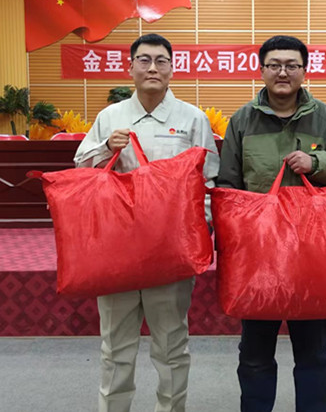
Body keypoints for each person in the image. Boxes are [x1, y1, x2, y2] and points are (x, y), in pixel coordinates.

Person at [74, 33, 219, 412]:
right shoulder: (110, 117)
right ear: (130, 67)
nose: (152, 67)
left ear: (172, 68)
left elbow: (208, 182)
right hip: (116, 252)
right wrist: (105, 147)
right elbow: (80, 168)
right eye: (144, 60)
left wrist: (195, 235)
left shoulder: (192, 118)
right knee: (115, 348)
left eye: (160, 60)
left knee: (171, 347)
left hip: (169, 252)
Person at [217, 35, 326, 412]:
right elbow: (228, 185)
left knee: (313, 354)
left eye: (292, 65)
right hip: (259, 252)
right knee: (254, 353)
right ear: (261, 70)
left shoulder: (325, 117)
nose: (283, 72)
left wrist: (317, 163)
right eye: (275, 65)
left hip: (312, 249)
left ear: (304, 70)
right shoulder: (242, 120)